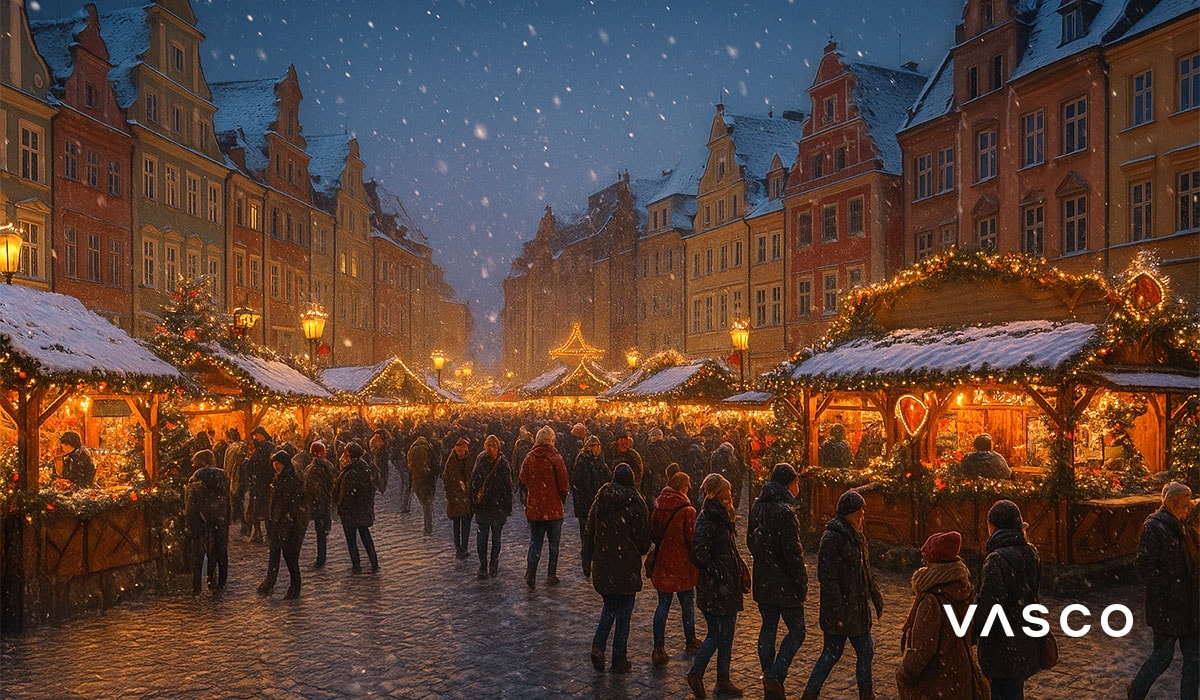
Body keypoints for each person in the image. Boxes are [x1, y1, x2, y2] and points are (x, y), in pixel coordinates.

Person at [802, 489, 884, 700]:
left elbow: (865, 571)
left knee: (865, 652)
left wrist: (875, 596)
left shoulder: (858, 537)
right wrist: (838, 607)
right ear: (847, 513)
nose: (862, 516)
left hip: (857, 610)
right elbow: (827, 578)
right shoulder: (832, 538)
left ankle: (866, 694)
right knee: (832, 654)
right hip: (841, 611)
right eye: (858, 512)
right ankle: (810, 693)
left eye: (863, 512)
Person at [896, 531, 989, 700]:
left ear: (932, 562)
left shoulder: (932, 600)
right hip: (962, 677)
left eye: (926, 560)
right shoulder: (963, 589)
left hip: (937, 682)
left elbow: (922, 650)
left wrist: (905, 673)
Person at [1128, 482, 1199, 700]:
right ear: (1171, 504)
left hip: (1191, 605)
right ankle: (1137, 690)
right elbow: (1144, 567)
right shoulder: (1155, 528)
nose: (1188, 510)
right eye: (1184, 505)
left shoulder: (1185, 527)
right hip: (1167, 607)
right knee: (1162, 657)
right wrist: (1169, 586)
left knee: (1194, 660)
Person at [748, 464, 808, 700]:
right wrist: (800, 579)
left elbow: (751, 541)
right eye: (796, 482)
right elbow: (793, 552)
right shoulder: (786, 511)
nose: (798, 487)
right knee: (797, 630)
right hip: (785, 581)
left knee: (768, 627)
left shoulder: (758, 505)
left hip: (764, 577)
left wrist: (765, 560)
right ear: (788, 484)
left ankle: (768, 676)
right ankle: (775, 674)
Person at [584, 463, 652, 673]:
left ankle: (598, 645)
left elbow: (589, 530)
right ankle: (618, 658)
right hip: (626, 564)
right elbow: (643, 538)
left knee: (610, 606)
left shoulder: (602, 497)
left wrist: (587, 559)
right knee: (624, 613)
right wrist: (637, 549)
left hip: (604, 561)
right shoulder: (636, 501)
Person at [687, 473, 746, 699]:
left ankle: (723, 678)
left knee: (726, 634)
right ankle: (697, 672)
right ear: (717, 493)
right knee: (718, 634)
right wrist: (720, 570)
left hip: (725, 585)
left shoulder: (720, 515)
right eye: (727, 491)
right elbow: (699, 554)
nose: (731, 494)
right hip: (717, 586)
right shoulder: (710, 518)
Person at [975, 500, 1042, 700]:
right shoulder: (1031, 552)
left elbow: (989, 605)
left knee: (1000, 692)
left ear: (992, 525)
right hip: (1024, 638)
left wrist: (972, 632)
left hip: (1001, 643)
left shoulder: (996, 559)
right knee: (1014, 691)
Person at [650, 470, 700, 666]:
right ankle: (690, 639)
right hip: (682, 564)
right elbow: (692, 540)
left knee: (663, 605)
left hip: (664, 562)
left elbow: (653, 532)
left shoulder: (659, 506)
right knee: (687, 604)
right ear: (682, 487)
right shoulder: (687, 511)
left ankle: (659, 646)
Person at [520, 426, 569, 587]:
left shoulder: (529, 458)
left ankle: (531, 573)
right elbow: (563, 484)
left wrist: (534, 492)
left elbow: (523, 478)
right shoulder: (556, 458)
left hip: (535, 509)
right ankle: (551, 574)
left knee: (535, 543)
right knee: (553, 545)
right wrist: (560, 499)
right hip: (553, 509)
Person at [257, 450, 307, 599]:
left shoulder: (291, 480)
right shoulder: (279, 478)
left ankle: (295, 588)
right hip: (278, 523)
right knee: (276, 553)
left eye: (278, 463)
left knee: (290, 558)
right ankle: (272, 583)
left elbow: (291, 504)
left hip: (287, 525)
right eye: (274, 463)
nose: (275, 466)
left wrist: (284, 517)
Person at [184, 449, 230, 594]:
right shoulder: (222, 476)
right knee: (219, 551)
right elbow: (227, 500)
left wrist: (191, 521)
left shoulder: (195, 479)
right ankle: (216, 581)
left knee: (198, 554)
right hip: (219, 519)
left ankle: (197, 585)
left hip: (201, 520)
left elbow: (191, 505)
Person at [471, 434, 513, 578]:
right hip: (484, 506)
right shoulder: (481, 461)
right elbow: (474, 484)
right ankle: (483, 565)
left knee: (495, 537)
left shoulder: (503, 464)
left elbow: (508, 488)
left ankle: (493, 564)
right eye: (487, 446)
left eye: (492, 446)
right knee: (483, 538)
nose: (490, 449)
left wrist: (507, 508)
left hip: (497, 507)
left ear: (498, 448)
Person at [571, 435, 612, 576]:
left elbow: (607, 480)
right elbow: (579, 487)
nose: (599, 449)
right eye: (596, 446)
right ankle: (587, 565)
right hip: (587, 506)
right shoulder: (583, 463)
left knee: (595, 536)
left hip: (595, 505)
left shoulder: (599, 462)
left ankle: (594, 564)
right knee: (588, 537)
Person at [336, 442, 379, 573]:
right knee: (365, 535)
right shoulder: (363, 467)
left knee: (352, 539)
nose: (343, 455)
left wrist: (343, 507)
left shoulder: (351, 471)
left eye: (346, 452)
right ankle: (374, 562)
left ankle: (357, 565)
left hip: (352, 511)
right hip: (361, 509)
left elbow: (347, 493)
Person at [303, 440, 337, 568]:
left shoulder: (311, 468)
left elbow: (308, 487)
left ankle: (321, 558)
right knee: (322, 530)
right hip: (324, 501)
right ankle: (321, 556)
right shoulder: (328, 466)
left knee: (320, 531)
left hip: (317, 502)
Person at [443, 436, 475, 559]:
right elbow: (447, 480)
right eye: (459, 451)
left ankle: (464, 547)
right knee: (457, 524)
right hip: (457, 498)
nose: (461, 453)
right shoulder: (451, 463)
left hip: (465, 497)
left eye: (463, 451)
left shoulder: (468, 459)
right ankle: (459, 548)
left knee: (465, 524)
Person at [244, 426, 275, 542]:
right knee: (267, 510)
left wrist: (247, 462)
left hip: (259, 483)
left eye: (256, 435)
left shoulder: (261, 449)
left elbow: (252, 466)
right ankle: (267, 533)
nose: (255, 437)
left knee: (257, 510)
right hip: (265, 483)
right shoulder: (270, 447)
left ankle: (259, 533)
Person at [407, 434, 436, 535]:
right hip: (427, 479)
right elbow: (434, 463)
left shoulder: (412, 449)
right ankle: (428, 526)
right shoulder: (428, 448)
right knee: (427, 503)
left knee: (424, 503)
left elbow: (409, 465)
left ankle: (427, 525)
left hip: (417, 479)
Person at [223, 427, 247, 528]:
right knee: (240, 498)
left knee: (234, 497)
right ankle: (241, 519)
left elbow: (226, 463)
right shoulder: (242, 446)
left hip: (233, 475)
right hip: (240, 475)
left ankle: (235, 516)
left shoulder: (230, 447)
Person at [641, 427, 673, 505]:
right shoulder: (665, 447)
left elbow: (653, 465)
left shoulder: (652, 449)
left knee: (655, 502)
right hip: (663, 478)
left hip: (655, 480)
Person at [368, 428, 391, 495]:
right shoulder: (378, 453)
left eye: (377, 440)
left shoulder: (381, 455)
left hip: (381, 491)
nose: (373, 442)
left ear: (382, 442)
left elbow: (381, 473)